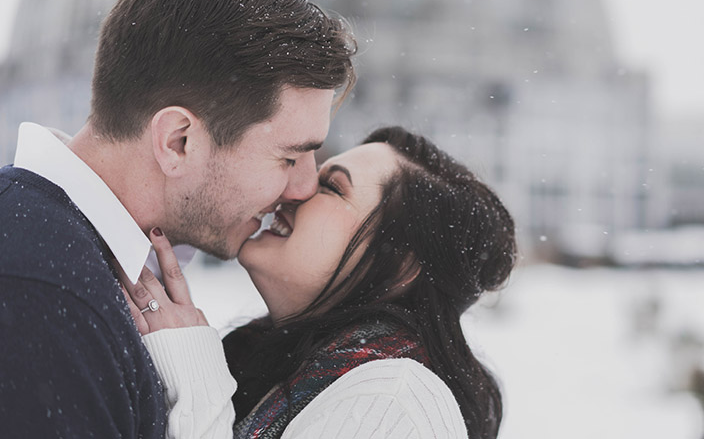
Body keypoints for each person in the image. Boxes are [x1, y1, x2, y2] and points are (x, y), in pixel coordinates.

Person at [0, 0, 356, 438]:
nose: (304, 188)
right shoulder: (39, 296)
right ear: (178, 142)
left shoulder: (63, 266)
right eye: (289, 157)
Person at [122, 127, 517, 439]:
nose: (297, 190)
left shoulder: (391, 403)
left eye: (331, 187)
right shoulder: (275, 365)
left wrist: (196, 385)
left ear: (400, 266)